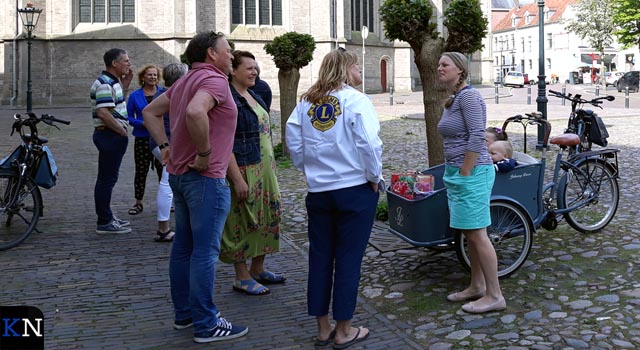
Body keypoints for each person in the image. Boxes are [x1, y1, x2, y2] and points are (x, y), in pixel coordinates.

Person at [142, 31, 248, 343]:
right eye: (227, 51)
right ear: (211, 54)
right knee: (204, 252)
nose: (231, 56)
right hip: (205, 179)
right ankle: (207, 324)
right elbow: (194, 112)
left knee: (184, 248)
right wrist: (203, 154)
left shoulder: (184, 81)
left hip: (180, 176)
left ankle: (185, 315)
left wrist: (165, 146)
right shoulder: (214, 80)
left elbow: (151, 112)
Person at [286, 48, 383, 348]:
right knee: (348, 259)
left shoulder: (305, 103)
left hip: (320, 192)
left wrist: (311, 170)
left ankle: (322, 327)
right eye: (356, 67)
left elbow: (293, 140)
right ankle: (344, 329)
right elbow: (368, 143)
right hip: (353, 188)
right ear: (346, 69)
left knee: (320, 257)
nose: (359, 73)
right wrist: (374, 176)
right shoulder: (355, 100)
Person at [436, 52, 506, 314]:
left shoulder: (470, 96)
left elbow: (479, 135)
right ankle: (477, 286)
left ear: (460, 70)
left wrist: (465, 171)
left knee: (478, 234)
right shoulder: (455, 99)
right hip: (458, 173)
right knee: (469, 233)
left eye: (445, 65)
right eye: (439, 64)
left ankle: (495, 295)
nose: (439, 68)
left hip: (473, 173)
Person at [220, 50, 283, 296]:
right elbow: (224, 143)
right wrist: (236, 178)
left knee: (269, 215)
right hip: (245, 169)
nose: (254, 71)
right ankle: (241, 276)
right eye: (249, 68)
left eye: (255, 68)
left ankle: (258, 268)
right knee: (242, 220)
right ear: (233, 71)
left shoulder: (254, 95)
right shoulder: (229, 101)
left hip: (265, 169)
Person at [90, 48, 133, 234]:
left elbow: (113, 105)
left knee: (109, 178)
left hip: (112, 135)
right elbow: (103, 113)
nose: (129, 64)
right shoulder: (105, 84)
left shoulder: (112, 82)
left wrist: (124, 86)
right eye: (126, 61)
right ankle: (104, 221)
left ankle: (107, 216)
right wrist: (121, 132)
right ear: (114, 63)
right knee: (106, 180)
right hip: (110, 136)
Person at [147, 62, 189, 242]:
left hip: (159, 144)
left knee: (169, 182)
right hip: (167, 144)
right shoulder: (175, 94)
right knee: (166, 182)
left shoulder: (162, 92)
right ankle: (163, 228)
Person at [126, 64, 165, 216]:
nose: (153, 77)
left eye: (155, 75)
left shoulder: (163, 93)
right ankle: (138, 202)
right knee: (141, 171)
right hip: (142, 138)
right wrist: (141, 123)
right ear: (143, 77)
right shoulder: (135, 96)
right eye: (149, 75)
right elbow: (128, 117)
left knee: (164, 172)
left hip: (160, 138)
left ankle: (166, 201)